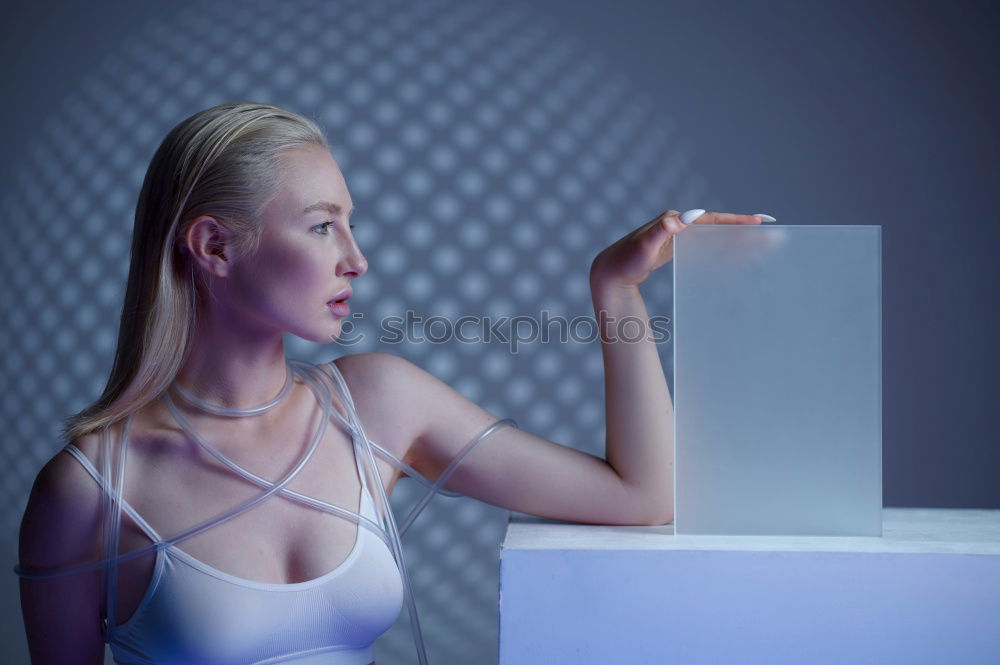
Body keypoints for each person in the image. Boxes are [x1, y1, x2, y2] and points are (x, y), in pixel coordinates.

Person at [15, 101, 764, 665]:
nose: (356, 258)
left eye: (351, 223)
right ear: (213, 245)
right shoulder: (91, 490)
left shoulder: (375, 404)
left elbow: (642, 497)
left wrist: (615, 290)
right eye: (321, 226)